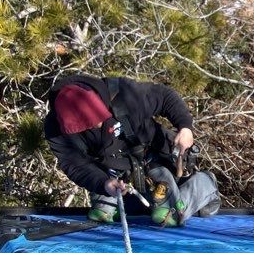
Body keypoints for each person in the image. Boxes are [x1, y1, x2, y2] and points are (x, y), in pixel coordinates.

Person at [44, 72, 219, 226]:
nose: (100, 124)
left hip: (154, 156)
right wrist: (103, 184)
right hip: (115, 173)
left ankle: (205, 184)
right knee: (102, 212)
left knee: (166, 216)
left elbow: (166, 97)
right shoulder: (55, 130)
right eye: (92, 124)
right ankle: (111, 198)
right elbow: (75, 165)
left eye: (101, 118)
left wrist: (185, 127)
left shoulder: (122, 94)